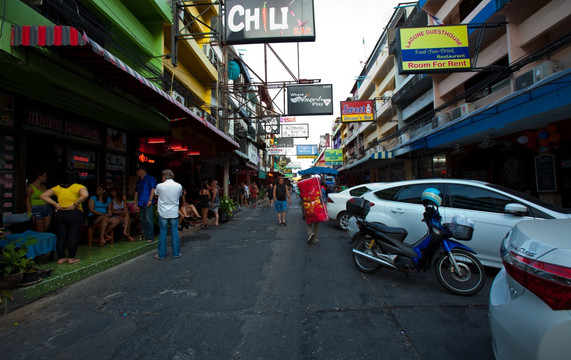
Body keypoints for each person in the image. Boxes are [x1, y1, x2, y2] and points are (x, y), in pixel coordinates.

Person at [40, 170, 89, 264]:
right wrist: (75, 204)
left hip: (60, 213)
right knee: (73, 236)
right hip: (74, 213)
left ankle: (61, 258)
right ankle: (71, 258)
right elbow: (85, 195)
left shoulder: (58, 188)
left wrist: (55, 204)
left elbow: (43, 195)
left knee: (61, 236)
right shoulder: (79, 187)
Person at [153, 169, 183, 260]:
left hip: (163, 212)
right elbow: (180, 195)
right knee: (174, 232)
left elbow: (156, 194)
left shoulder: (159, 186)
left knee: (163, 232)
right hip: (173, 212)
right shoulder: (178, 186)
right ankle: (176, 253)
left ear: (164, 177)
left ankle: (161, 255)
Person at [133, 165, 157, 243]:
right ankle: (146, 235)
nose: (137, 173)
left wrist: (150, 199)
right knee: (143, 219)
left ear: (142, 170)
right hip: (141, 202)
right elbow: (136, 192)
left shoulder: (150, 178)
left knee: (148, 218)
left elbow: (153, 189)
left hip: (147, 201)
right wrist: (135, 202)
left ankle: (150, 236)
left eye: (138, 171)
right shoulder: (139, 181)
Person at [306, 178, 328, 245]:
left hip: (309, 207)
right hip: (318, 208)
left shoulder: (309, 189)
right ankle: (315, 239)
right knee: (317, 223)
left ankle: (310, 233)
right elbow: (323, 200)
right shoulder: (322, 190)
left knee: (308, 222)